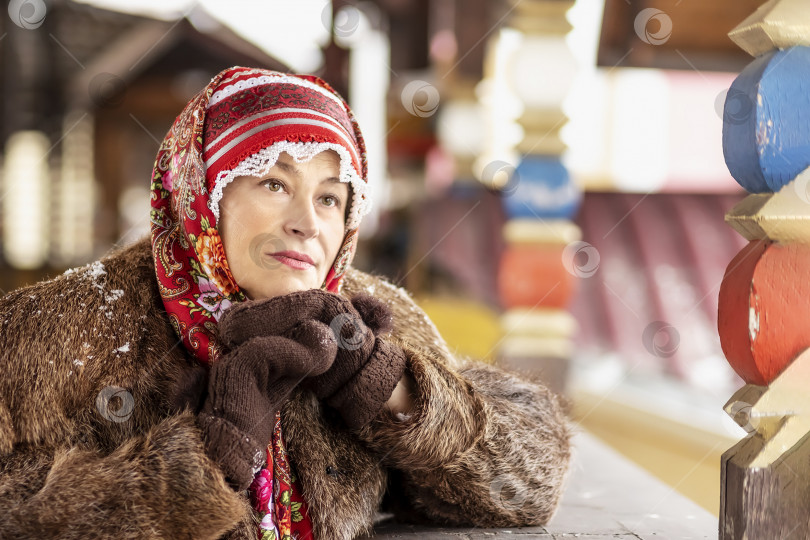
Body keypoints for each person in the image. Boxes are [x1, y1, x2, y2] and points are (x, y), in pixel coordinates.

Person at [0, 66, 572, 540]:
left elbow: (530, 484)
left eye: (329, 197)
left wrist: (386, 388)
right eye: (273, 184)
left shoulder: (367, 316)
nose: (306, 224)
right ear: (203, 192)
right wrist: (206, 458)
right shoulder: (51, 331)